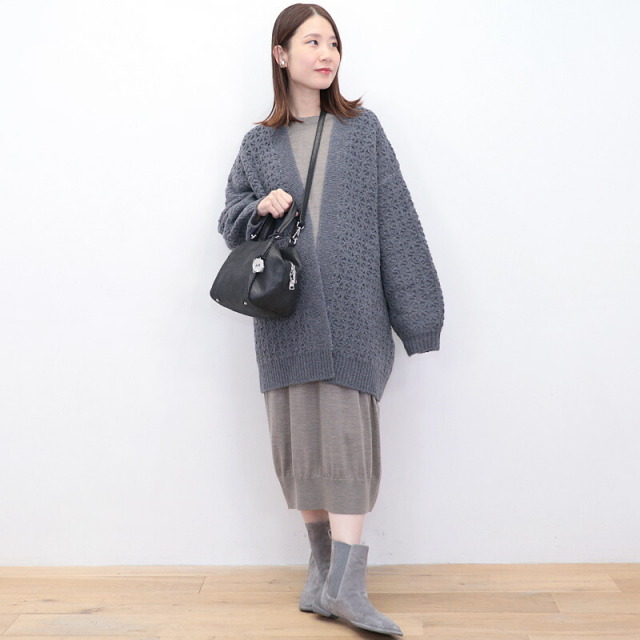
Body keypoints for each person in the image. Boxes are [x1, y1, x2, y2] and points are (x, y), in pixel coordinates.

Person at [217, 3, 444, 637]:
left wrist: (419, 315)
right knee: (300, 451)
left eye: (334, 44)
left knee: (347, 453)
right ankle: (321, 576)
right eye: (313, 42)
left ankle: (347, 586)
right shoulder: (257, 144)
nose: (327, 54)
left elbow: (397, 223)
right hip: (285, 325)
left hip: (354, 320)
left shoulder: (363, 132)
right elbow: (229, 221)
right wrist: (259, 207)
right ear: (280, 54)